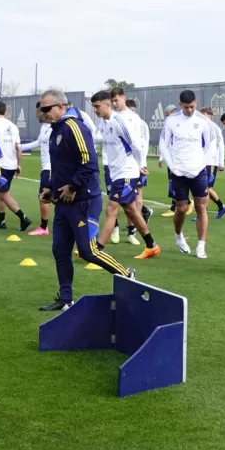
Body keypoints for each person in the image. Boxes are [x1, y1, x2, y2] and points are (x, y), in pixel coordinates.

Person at [36, 89, 134, 311]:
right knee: (60, 251)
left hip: (83, 200)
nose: (43, 113)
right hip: (63, 203)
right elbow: (61, 168)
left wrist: (73, 186)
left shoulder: (75, 126)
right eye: (41, 109)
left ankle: (127, 274)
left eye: (46, 109)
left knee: (88, 251)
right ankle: (66, 298)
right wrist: (51, 189)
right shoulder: (54, 130)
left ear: (61, 106)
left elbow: (89, 163)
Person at [91, 91, 161, 260]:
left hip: (126, 173)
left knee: (111, 209)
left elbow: (136, 145)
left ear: (107, 105)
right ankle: (151, 245)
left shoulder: (118, 122)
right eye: (93, 107)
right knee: (131, 210)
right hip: (117, 174)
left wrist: (140, 166)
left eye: (97, 106)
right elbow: (99, 139)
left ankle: (98, 249)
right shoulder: (104, 123)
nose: (95, 110)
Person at [161, 90, 214, 259]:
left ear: (196, 103)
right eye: (186, 107)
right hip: (178, 172)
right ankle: (178, 236)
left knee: (201, 207)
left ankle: (201, 246)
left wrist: (202, 164)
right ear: (180, 105)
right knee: (182, 208)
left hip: (198, 172)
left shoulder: (204, 121)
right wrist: (172, 166)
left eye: (192, 106)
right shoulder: (171, 120)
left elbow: (211, 144)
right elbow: (163, 143)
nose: (190, 110)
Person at [0, 101, 31, 232]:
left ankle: (23, 217)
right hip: (11, 164)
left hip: (1, 164)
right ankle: (1, 220)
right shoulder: (13, 126)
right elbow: (18, 148)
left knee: (2, 193)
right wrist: (19, 164)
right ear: (5, 112)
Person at [21, 104, 53, 236]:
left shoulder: (54, 127)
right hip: (46, 168)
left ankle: (44, 227)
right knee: (49, 197)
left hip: (51, 168)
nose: (36, 114)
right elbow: (38, 143)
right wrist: (18, 147)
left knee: (44, 196)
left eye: (37, 111)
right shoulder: (44, 127)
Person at [125, 97, 154, 236]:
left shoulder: (141, 124)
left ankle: (134, 228)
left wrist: (141, 163)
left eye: (133, 111)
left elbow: (145, 144)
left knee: (137, 196)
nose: (132, 113)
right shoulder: (121, 122)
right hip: (124, 166)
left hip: (139, 165)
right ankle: (143, 214)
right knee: (126, 197)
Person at [199, 106, 225, 219]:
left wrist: (221, 162)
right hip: (202, 162)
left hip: (211, 162)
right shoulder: (201, 127)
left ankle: (203, 214)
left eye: (204, 115)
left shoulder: (214, 128)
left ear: (210, 115)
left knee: (205, 187)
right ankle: (221, 206)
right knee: (204, 187)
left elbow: (221, 145)